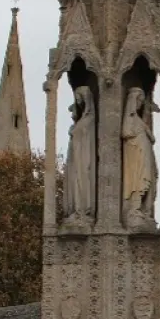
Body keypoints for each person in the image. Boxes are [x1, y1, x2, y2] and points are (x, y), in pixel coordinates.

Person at [121, 87, 158, 220]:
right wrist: (141, 133)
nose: (140, 104)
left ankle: (143, 209)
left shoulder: (138, 119)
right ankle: (133, 209)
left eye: (141, 101)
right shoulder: (131, 117)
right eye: (139, 101)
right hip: (136, 153)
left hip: (144, 153)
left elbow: (153, 138)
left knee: (148, 179)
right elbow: (126, 132)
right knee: (138, 181)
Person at [63, 86, 96, 219]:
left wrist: (74, 130)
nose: (78, 103)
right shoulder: (82, 120)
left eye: (79, 99)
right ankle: (77, 210)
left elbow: (83, 136)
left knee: (82, 180)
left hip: (83, 157)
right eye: (77, 100)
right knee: (75, 180)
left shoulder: (89, 119)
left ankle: (82, 210)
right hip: (76, 156)